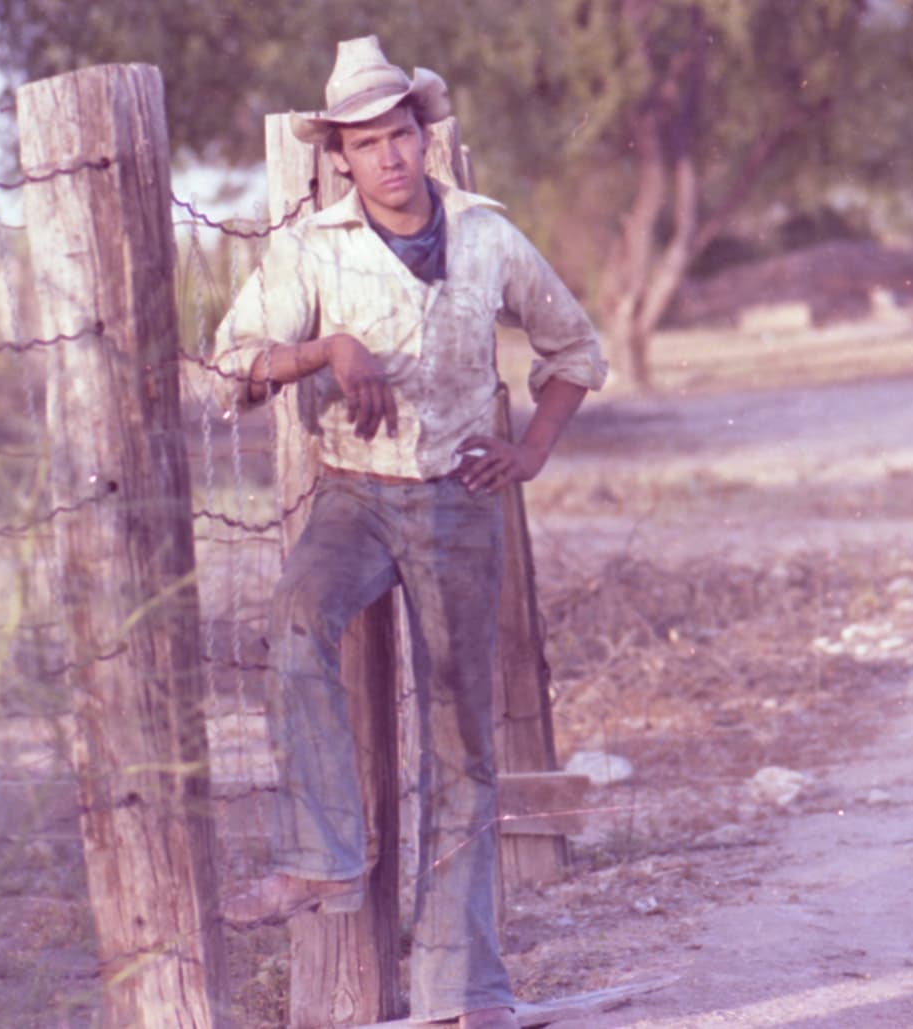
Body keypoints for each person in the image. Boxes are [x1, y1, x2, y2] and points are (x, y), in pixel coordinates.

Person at [210, 35, 607, 1029]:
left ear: (425, 139)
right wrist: (325, 349)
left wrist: (532, 452)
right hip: (354, 492)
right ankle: (320, 859)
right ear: (336, 156)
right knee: (298, 616)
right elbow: (233, 365)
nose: (386, 156)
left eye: (400, 135)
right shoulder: (310, 246)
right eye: (364, 142)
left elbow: (573, 349)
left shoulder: (486, 237)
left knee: (462, 745)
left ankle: (459, 992)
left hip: (459, 500)